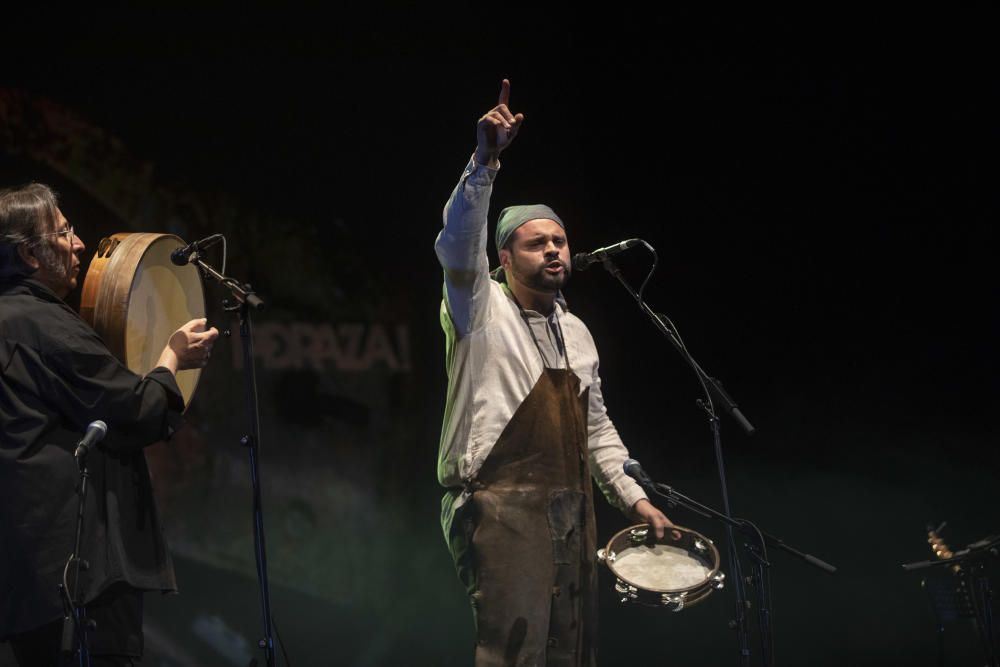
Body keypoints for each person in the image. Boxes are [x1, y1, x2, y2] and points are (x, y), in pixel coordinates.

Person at [435, 79, 674, 666]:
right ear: (504, 259)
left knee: (572, 653)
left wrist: (632, 498)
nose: (553, 250)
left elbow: (595, 428)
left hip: (571, 510)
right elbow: (457, 244)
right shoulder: (477, 308)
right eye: (536, 242)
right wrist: (486, 161)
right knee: (514, 655)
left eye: (560, 241)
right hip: (498, 507)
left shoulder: (578, 333)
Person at [0, 183, 219, 666]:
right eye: (63, 232)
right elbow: (135, 409)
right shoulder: (44, 324)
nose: (78, 243)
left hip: (22, 581)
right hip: (77, 581)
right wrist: (171, 358)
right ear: (29, 254)